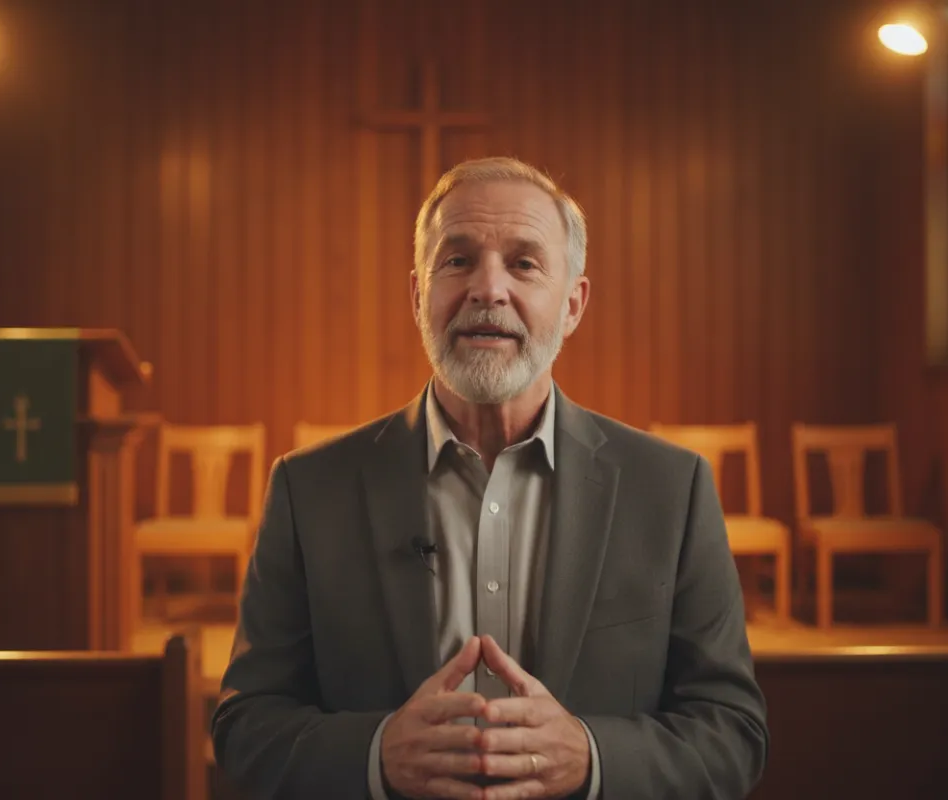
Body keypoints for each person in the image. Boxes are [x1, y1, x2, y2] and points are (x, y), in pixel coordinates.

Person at [212, 157, 768, 799]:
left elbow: (733, 733)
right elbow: (245, 726)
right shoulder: (307, 491)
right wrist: (376, 755)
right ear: (418, 295)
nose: (488, 288)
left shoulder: (673, 490)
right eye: (458, 260)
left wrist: (591, 759)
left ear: (573, 304)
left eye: (524, 263)